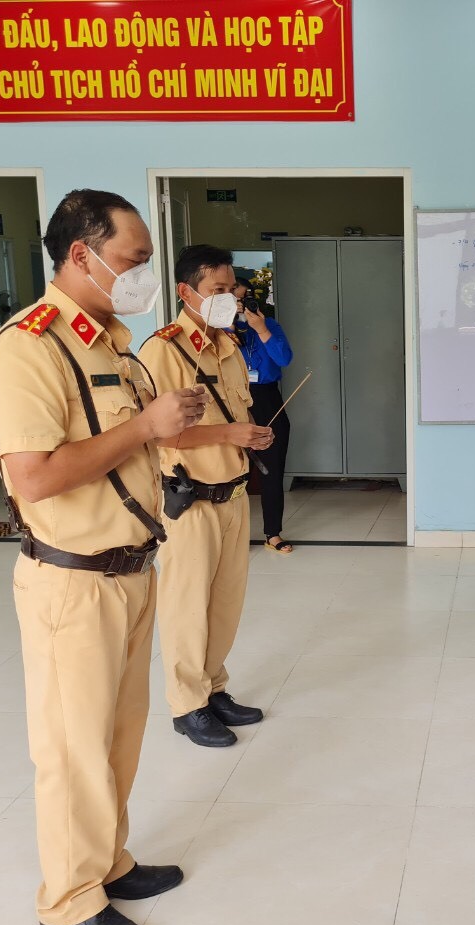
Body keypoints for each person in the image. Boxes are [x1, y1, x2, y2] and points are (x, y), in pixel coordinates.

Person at [0, 189, 208, 925]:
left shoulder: (110, 342)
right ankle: (68, 898)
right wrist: (145, 427)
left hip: (131, 568)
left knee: (119, 736)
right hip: (72, 582)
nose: (141, 274)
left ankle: (107, 862)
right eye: (132, 261)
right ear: (80, 255)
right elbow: (35, 477)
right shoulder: (29, 346)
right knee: (72, 747)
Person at [138, 246, 273, 748]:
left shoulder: (229, 347)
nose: (229, 300)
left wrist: (251, 434)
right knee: (187, 606)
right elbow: (156, 434)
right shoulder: (164, 352)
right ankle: (186, 705)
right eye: (218, 291)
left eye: (231, 290)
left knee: (224, 603)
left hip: (233, 495)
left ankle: (214, 688)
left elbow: (233, 417)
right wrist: (228, 436)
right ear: (185, 291)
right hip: (189, 500)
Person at [233, 274, 296, 554]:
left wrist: (261, 330)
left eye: (245, 298)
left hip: (267, 397)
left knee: (272, 469)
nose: (240, 304)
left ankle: (273, 533)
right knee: (232, 470)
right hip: (232, 400)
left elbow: (284, 359)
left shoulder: (268, 325)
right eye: (234, 299)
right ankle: (232, 536)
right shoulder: (214, 330)